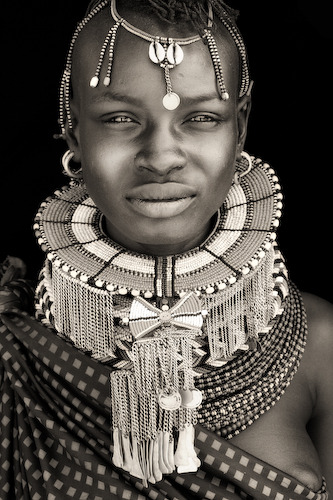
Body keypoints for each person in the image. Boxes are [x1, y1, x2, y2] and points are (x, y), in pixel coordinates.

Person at [0, 0, 332, 498]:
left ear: (240, 125)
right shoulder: (15, 348)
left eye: (200, 117)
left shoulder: (321, 345)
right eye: (118, 119)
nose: (160, 157)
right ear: (73, 127)